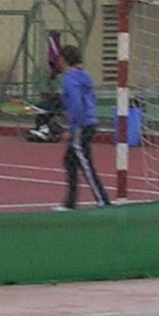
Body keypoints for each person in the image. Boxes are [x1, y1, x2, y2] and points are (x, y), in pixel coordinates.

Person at [55, 42, 111, 209]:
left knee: (85, 164)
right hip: (88, 122)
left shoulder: (69, 79)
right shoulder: (85, 75)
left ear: (64, 60)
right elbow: (91, 98)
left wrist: (71, 128)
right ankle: (70, 203)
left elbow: (77, 103)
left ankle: (103, 201)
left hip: (81, 126)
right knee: (70, 161)